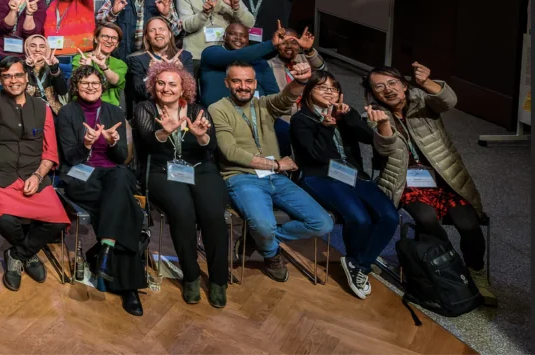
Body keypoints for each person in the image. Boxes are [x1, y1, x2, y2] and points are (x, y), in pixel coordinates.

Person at [365, 62, 494, 305]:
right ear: (373, 93)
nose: (388, 90)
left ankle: (476, 273)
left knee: (469, 224)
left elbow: (448, 101)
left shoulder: (423, 101)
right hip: (408, 181)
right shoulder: (373, 114)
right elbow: (385, 147)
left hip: (445, 178)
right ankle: (448, 268)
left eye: (393, 83)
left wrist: (426, 82)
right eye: (379, 87)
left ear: (404, 85)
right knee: (425, 219)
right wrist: (382, 124)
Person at [210, 59, 329, 282]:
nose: (243, 86)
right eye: (236, 81)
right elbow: (230, 152)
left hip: (276, 178)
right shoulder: (217, 109)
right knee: (264, 225)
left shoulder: (263, 104)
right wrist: (275, 164)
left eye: (248, 81)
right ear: (227, 83)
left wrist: (300, 81)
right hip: (241, 178)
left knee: (322, 223)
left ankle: (258, 238)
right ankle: (271, 253)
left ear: (255, 83)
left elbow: (286, 98)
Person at [290, 71, 398, 301]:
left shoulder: (345, 115)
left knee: (389, 215)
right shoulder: (302, 120)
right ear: (309, 92)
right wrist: (326, 126)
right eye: (323, 87)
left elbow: (370, 138)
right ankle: (359, 263)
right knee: (359, 218)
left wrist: (347, 117)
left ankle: (359, 263)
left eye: (334, 88)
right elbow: (315, 156)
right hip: (319, 176)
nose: (330, 92)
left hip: (353, 175)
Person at [132, 60, 227, 307]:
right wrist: (164, 131)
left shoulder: (198, 111)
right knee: (183, 213)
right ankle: (192, 275)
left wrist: (201, 135)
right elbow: (146, 142)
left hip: (200, 170)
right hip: (162, 170)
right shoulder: (144, 108)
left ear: (183, 88)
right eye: (161, 83)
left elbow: (212, 146)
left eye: (172, 84)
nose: (166, 88)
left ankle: (218, 279)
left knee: (213, 215)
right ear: (153, 85)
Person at [54, 64, 145, 315]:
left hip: (111, 175)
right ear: (76, 87)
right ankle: (129, 288)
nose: (91, 87)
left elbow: (121, 157)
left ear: (103, 86)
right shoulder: (67, 113)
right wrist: (85, 144)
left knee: (120, 175)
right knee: (127, 210)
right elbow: (70, 158)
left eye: (95, 83)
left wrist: (115, 143)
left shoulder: (115, 112)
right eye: (85, 84)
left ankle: (104, 249)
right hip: (81, 175)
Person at [0, 55, 67, 291]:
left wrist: (37, 176)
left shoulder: (42, 107)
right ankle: (29, 255)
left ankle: (18, 253)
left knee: (57, 221)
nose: (13, 81)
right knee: (5, 221)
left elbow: (50, 153)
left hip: (32, 175)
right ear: (1, 79)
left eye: (17, 75)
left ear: (26, 77)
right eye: (7, 76)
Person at [123, 17, 194, 113]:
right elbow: (141, 92)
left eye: (161, 29)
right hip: (150, 109)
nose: (157, 33)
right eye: (152, 30)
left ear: (169, 33)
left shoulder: (185, 56)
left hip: (180, 108)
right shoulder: (137, 59)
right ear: (147, 36)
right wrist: (152, 73)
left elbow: (190, 92)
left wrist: (180, 71)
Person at [70, 22, 127, 107]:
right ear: (96, 39)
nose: (109, 41)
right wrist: (87, 68)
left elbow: (116, 81)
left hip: (108, 107)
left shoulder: (120, 64)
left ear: (117, 43)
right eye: (105, 36)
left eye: (114, 38)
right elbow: (76, 83)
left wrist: (103, 66)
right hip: (82, 106)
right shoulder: (80, 58)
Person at [21, 34, 68, 109]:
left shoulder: (51, 65)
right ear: (27, 48)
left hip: (51, 109)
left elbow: (62, 91)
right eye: (33, 46)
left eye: (42, 46)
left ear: (46, 49)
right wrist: (28, 67)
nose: (37, 49)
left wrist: (54, 69)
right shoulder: (20, 66)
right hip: (26, 109)